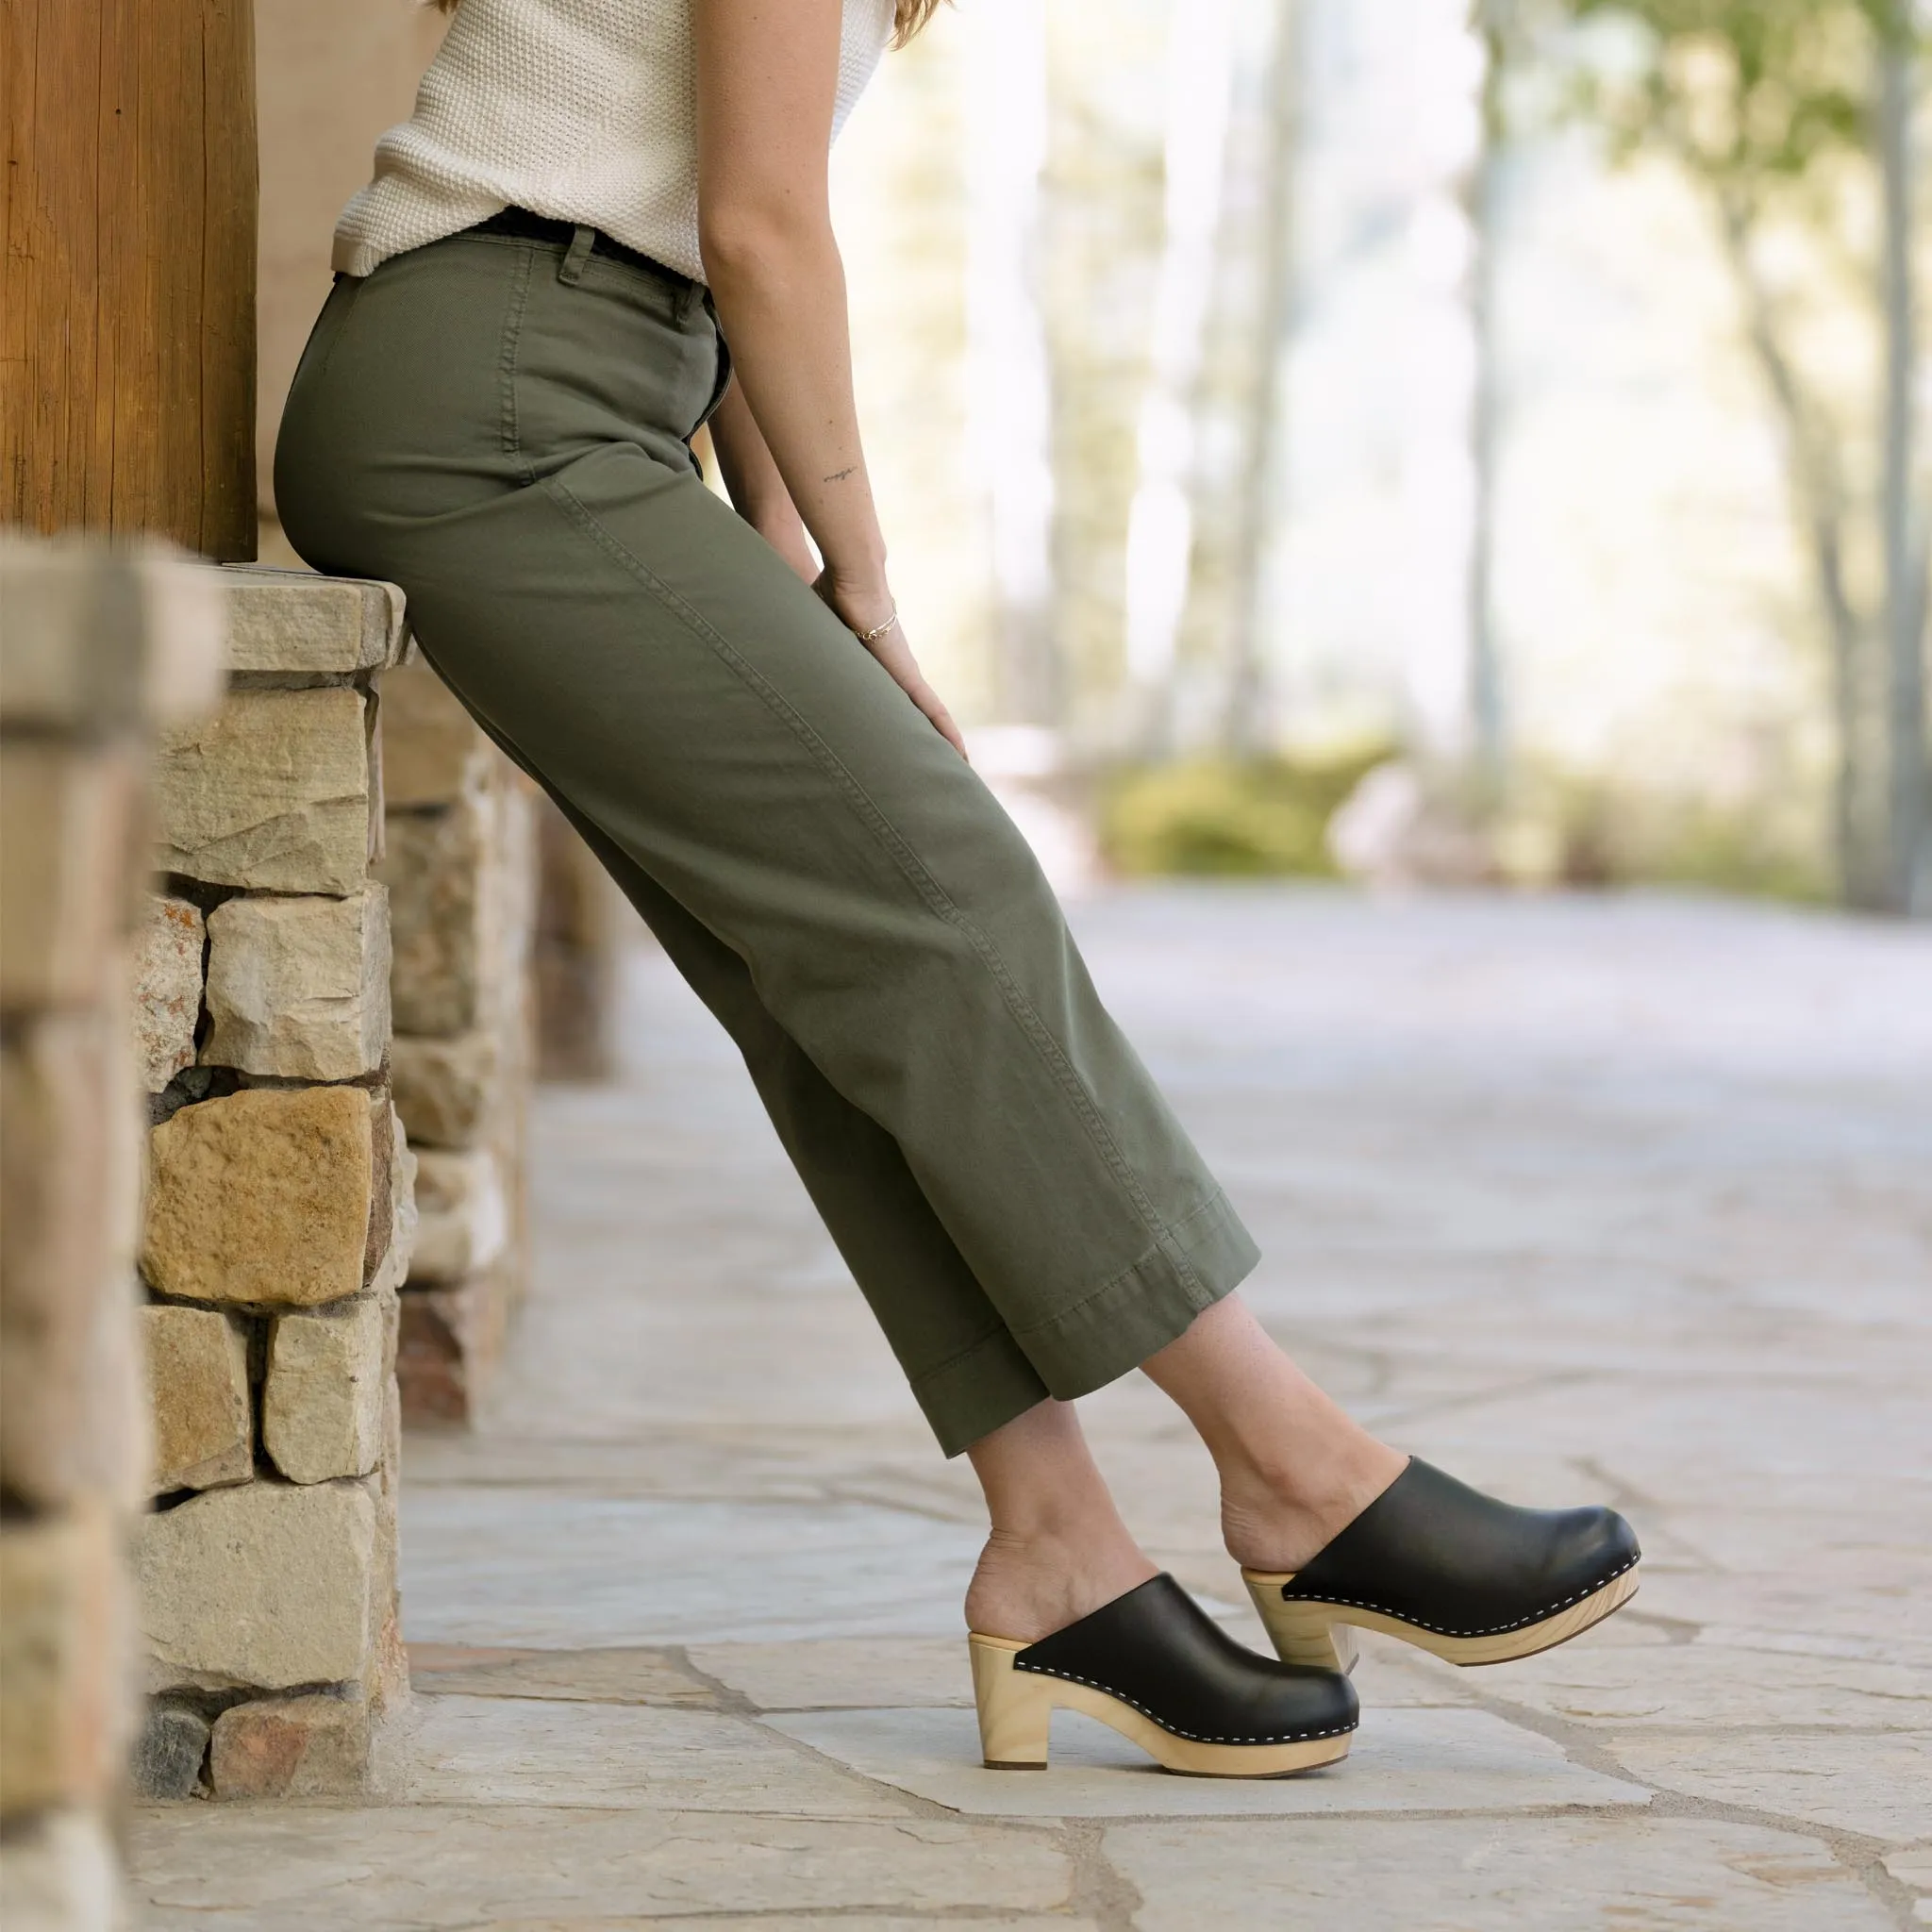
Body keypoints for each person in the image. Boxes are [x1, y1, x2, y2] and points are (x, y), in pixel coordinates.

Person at [276, 0, 1639, 1778]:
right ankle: (1301, 1470)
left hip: (592, 386)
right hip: (501, 399)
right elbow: (763, 222)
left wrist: (789, 548)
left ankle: (1059, 1552)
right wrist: (871, 568)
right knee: (949, 894)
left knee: (824, 974)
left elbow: (707, 234)